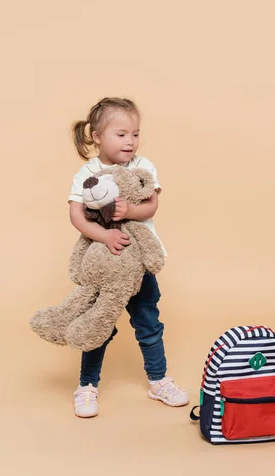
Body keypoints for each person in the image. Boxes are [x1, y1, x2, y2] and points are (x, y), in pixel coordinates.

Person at [68, 97, 189, 417]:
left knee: (149, 321)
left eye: (135, 134)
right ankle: (87, 385)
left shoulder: (143, 167)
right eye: (121, 134)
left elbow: (151, 205)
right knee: (99, 324)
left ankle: (159, 380)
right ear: (97, 136)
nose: (130, 141)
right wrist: (105, 235)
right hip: (104, 266)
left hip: (138, 264)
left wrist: (130, 211)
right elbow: (77, 215)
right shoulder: (88, 172)